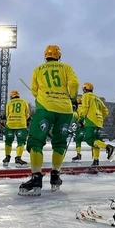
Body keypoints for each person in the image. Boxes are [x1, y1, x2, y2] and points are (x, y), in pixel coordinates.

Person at [19, 45, 79, 196]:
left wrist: (43, 97)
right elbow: (74, 84)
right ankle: (55, 175)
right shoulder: (66, 68)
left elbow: (34, 89)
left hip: (45, 107)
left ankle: (36, 177)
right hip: (65, 109)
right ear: (59, 56)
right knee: (59, 142)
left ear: (45, 56)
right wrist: (72, 97)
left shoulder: (39, 69)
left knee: (35, 141)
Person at [77, 82, 115, 167]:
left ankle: (108, 147)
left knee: (89, 139)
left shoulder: (86, 96)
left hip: (90, 121)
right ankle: (96, 160)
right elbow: (106, 111)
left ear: (84, 89)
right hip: (98, 122)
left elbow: (85, 108)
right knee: (96, 141)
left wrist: (81, 119)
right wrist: (100, 118)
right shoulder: (97, 98)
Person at [2, 90, 29, 167]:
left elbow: (7, 114)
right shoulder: (24, 101)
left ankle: (7, 158)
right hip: (21, 124)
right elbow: (27, 113)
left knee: (8, 141)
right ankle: (18, 158)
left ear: (11, 96)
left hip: (10, 124)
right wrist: (23, 119)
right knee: (21, 141)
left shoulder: (9, 103)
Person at [71, 95, 86, 162]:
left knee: (78, 140)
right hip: (87, 125)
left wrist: (74, 126)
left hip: (80, 126)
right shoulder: (85, 107)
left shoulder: (76, 110)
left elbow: (75, 118)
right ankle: (95, 157)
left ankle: (78, 154)